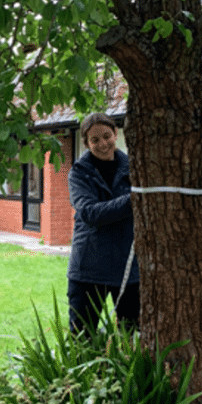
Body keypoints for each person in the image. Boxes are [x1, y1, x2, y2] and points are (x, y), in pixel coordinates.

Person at [67, 112, 139, 336]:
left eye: (106, 136)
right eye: (94, 140)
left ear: (116, 134)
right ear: (87, 144)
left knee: (131, 337)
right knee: (82, 337)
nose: (102, 144)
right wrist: (134, 200)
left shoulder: (135, 168)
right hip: (89, 268)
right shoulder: (78, 174)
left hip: (129, 267)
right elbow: (90, 213)